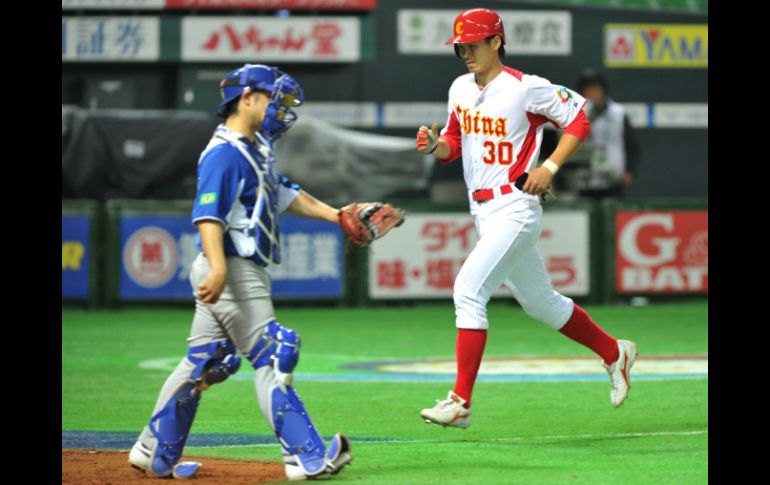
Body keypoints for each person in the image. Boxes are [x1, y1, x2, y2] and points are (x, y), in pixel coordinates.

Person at [127, 64, 352, 480]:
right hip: (231, 268)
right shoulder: (225, 153)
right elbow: (208, 216)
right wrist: (217, 268)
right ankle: (306, 457)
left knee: (202, 361)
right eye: (273, 100)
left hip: (236, 268)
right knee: (273, 353)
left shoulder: (255, 147)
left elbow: (283, 194)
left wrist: (338, 216)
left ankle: (152, 449)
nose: (280, 110)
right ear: (246, 99)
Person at [415, 8, 637, 429]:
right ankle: (615, 352)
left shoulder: (524, 87)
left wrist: (549, 166)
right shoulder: (460, 87)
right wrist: (434, 147)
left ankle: (460, 402)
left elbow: (578, 119)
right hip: (482, 209)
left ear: (496, 42)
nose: (466, 53)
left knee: (468, 291)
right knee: (540, 303)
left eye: (474, 44)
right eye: (460, 47)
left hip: (515, 207)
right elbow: (453, 142)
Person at [576, 69, 640, 199]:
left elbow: (632, 145)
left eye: (595, 88)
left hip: (613, 180)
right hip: (584, 181)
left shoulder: (618, 113)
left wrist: (630, 171)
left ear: (603, 90)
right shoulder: (576, 114)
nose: (591, 93)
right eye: (587, 89)